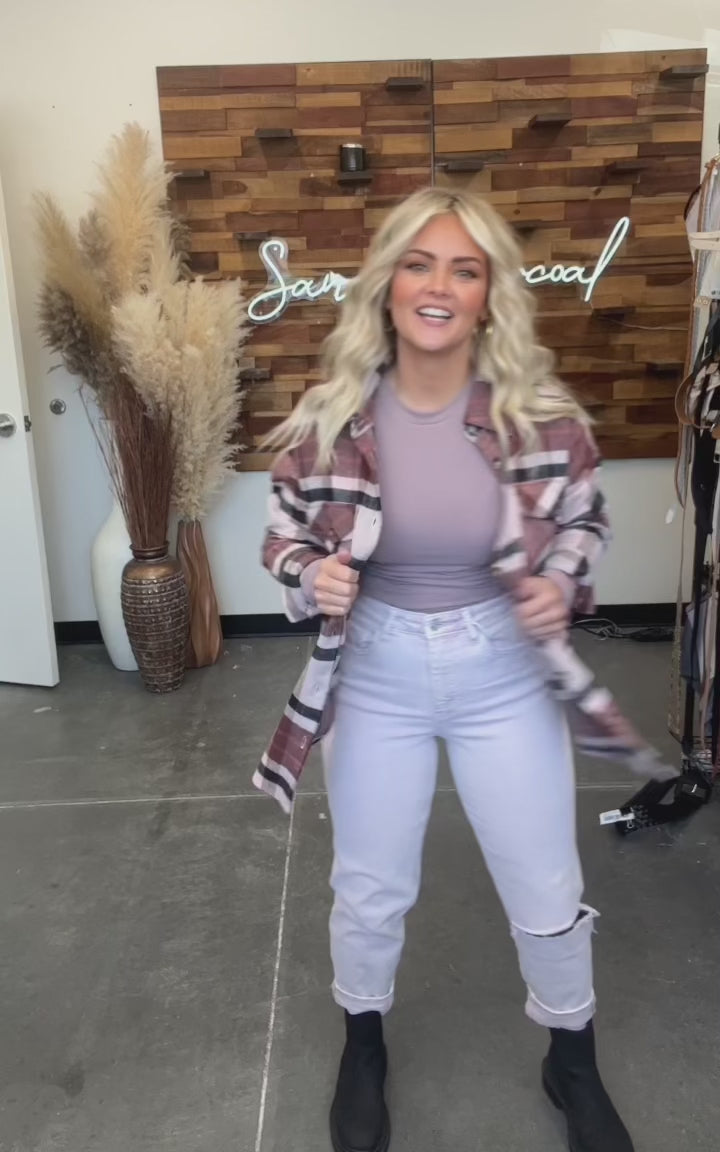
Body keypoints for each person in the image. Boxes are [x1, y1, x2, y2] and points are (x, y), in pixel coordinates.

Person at [253, 188, 670, 1152]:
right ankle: (363, 1048)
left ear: (488, 297)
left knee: (545, 882)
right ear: (388, 282)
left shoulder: (540, 418)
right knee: (369, 884)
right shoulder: (332, 416)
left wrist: (559, 581)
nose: (438, 285)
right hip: (376, 672)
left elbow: (584, 520)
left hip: (502, 672)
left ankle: (572, 1060)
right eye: (419, 263)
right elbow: (282, 534)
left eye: (465, 269)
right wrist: (310, 573)